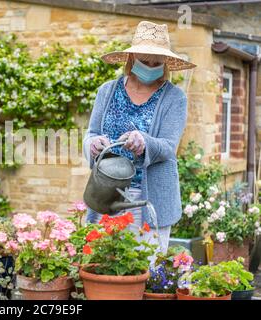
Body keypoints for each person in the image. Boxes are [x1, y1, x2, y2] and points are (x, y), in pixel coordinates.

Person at [83, 21, 196, 254]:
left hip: (149, 200)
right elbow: (91, 133)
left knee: (147, 268)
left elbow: (168, 147)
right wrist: (92, 145)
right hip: (107, 192)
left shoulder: (175, 98)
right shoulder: (107, 91)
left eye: (157, 63)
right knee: (102, 264)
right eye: (145, 61)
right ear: (132, 58)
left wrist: (145, 142)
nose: (151, 67)